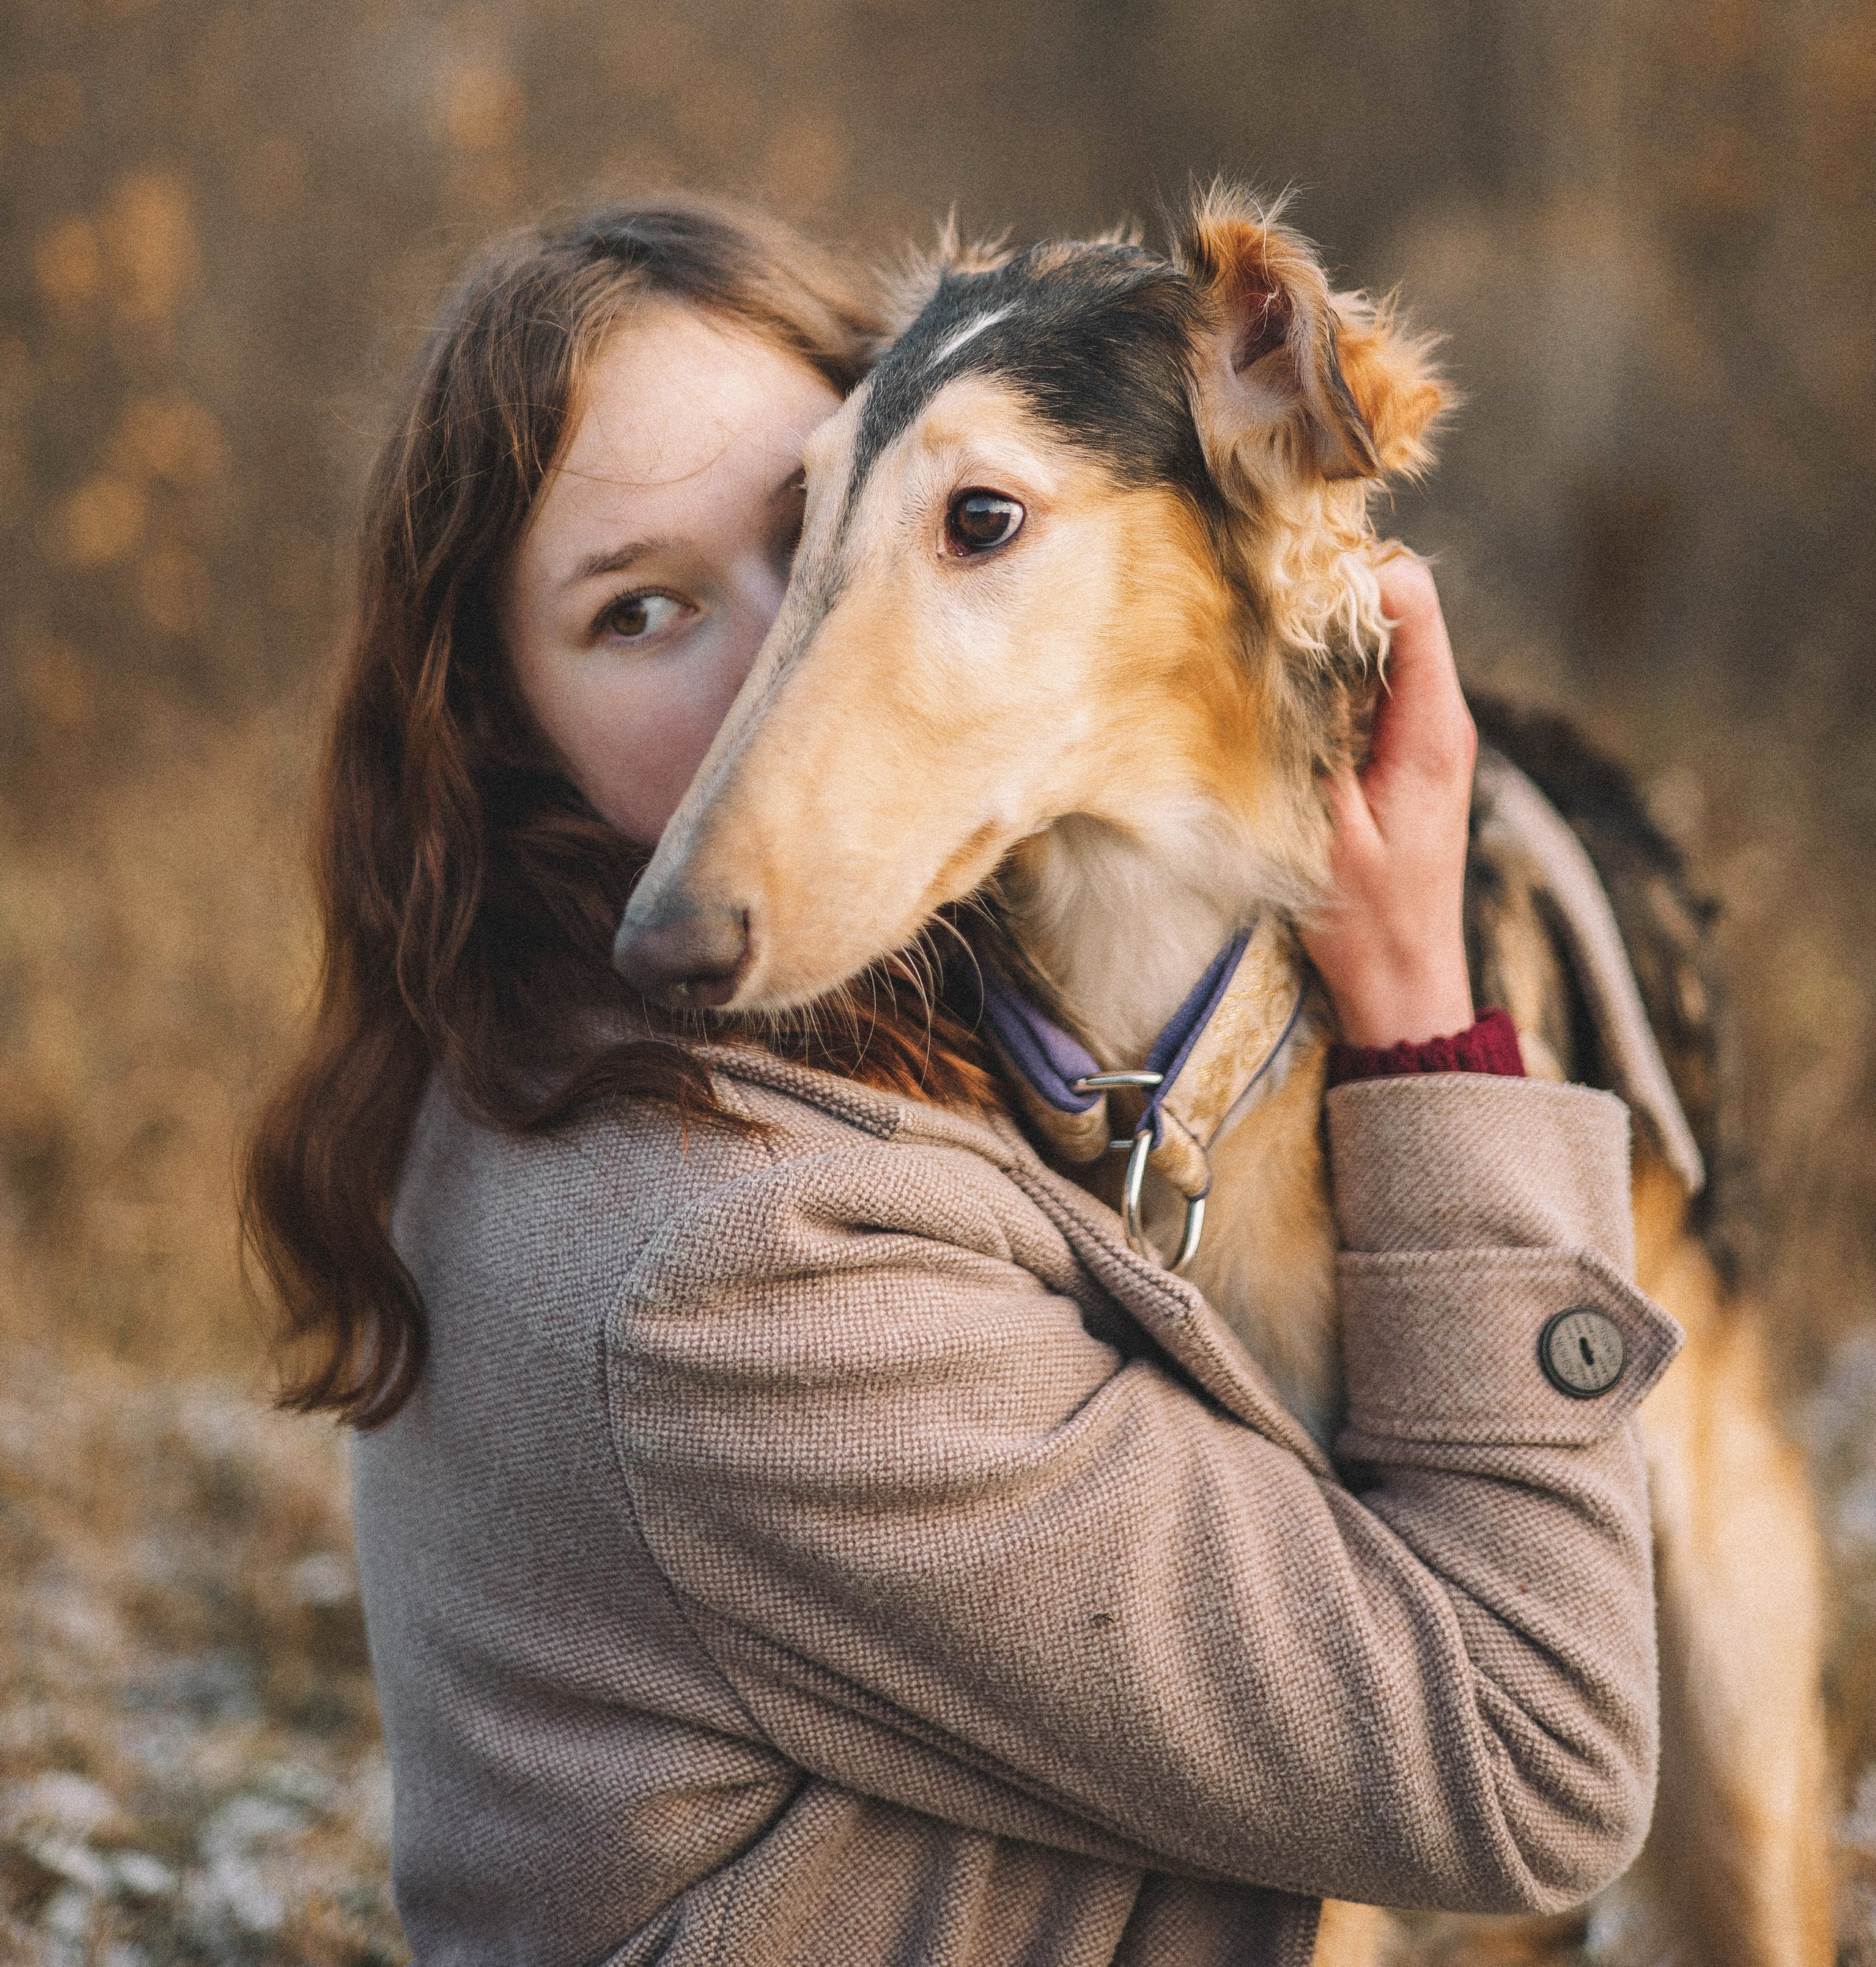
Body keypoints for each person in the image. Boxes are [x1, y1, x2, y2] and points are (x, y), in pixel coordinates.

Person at [243, 195, 1680, 1967]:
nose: (796, 675)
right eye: (639, 612)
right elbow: (1528, 1763)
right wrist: (1429, 1037)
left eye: (818, 531)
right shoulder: (729, 1266)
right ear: (483, 714)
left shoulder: (765, 1042)